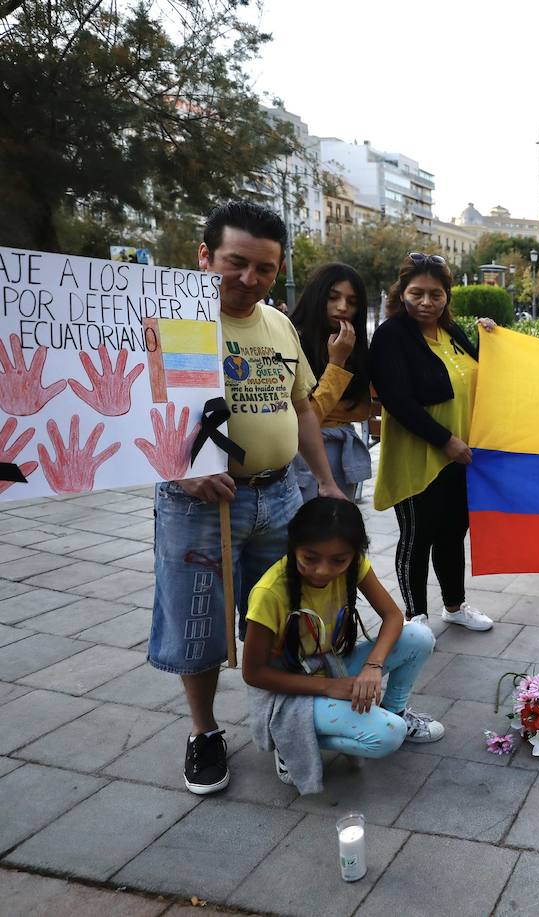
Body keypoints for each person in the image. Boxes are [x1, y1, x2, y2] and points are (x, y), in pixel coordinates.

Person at [150, 201, 345, 796]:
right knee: (200, 624)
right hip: (199, 505)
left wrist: (327, 482)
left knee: (283, 617)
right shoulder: (170, 322)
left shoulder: (279, 325)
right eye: (236, 263)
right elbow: (134, 410)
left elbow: (303, 405)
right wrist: (178, 472)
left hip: (280, 495)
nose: (249, 280)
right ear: (204, 255)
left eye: (264, 268)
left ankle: (282, 727)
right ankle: (205, 732)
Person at [243, 497, 444, 793]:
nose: (323, 570)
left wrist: (372, 667)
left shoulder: (355, 566)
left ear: (354, 554)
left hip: (330, 667)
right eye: (310, 558)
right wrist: (329, 688)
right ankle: (288, 741)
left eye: (338, 560)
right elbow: (254, 674)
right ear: (293, 546)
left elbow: (392, 616)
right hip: (286, 693)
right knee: (389, 736)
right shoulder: (269, 593)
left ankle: (396, 710)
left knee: (419, 636)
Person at [370, 253, 495, 629]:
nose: (427, 302)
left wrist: (491, 341)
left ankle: (454, 607)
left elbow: (479, 377)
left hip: (460, 457)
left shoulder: (452, 332)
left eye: (436, 295)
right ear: (402, 293)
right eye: (417, 293)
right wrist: (445, 440)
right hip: (418, 456)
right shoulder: (392, 335)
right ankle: (415, 617)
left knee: (453, 533)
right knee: (416, 536)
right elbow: (397, 400)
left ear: (447, 297)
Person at [289, 263, 373, 502]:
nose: (343, 307)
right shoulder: (294, 339)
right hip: (301, 461)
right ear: (317, 296)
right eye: (333, 297)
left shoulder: (351, 345)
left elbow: (360, 409)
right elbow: (308, 419)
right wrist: (337, 364)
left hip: (342, 459)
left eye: (352, 302)